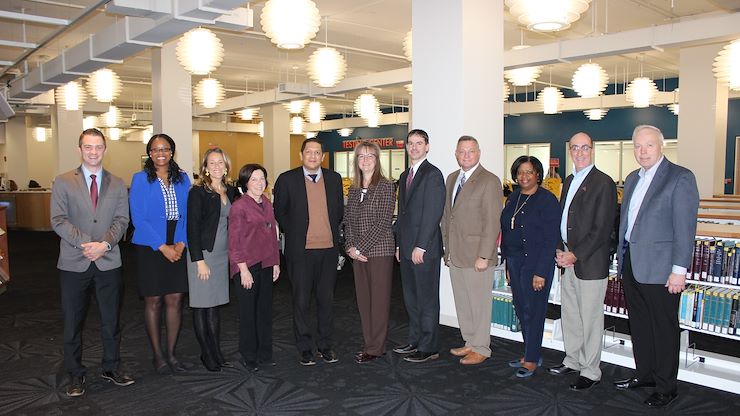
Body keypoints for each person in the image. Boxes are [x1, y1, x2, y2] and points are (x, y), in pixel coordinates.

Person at [614, 125, 699, 408]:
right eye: (638, 146)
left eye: (649, 145)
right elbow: (626, 222)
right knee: (639, 325)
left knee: (663, 328)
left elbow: (684, 229)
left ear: (661, 146)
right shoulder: (632, 178)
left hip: (663, 270)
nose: (643, 151)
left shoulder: (680, 177)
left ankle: (666, 386)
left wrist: (679, 270)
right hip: (632, 265)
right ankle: (646, 374)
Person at [50, 128, 134, 397]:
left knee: (111, 320)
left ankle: (111, 367)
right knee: (73, 322)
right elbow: (58, 219)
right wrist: (87, 243)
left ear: (105, 149)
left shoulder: (118, 183)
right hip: (75, 262)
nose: (94, 152)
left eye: (98, 147)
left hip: (109, 261)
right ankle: (75, 374)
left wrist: (105, 244)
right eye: (88, 147)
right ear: (80, 149)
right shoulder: (63, 181)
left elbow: (122, 220)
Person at [547, 132, 617, 391]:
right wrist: (560, 250)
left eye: (584, 148)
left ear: (592, 149)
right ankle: (573, 360)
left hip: (589, 261)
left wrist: (575, 254)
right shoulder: (569, 180)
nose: (579, 152)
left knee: (590, 318)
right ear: (570, 151)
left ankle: (590, 370)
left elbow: (602, 228)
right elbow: (563, 219)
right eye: (575, 148)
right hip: (567, 258)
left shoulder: (603, 182)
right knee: (571, 315)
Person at [273, 138, 344, 366]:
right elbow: (279, 212)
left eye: (317, 153)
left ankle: (326, 345)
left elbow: (339, 212)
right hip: (300, 251)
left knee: (326, 300)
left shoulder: (334, 179)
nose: (313, 156)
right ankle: (304, 348)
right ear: (301, 155)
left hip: (328, 250)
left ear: (323, 156)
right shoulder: (286, 179)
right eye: (309, 152)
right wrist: (294, 233)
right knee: (301, 301)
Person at [130, 133, 191, 374]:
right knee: (153, 300)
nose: (161, 153)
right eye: (155, 149)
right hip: (150, 245)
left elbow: (188, 214)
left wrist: (181, 243)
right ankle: (158, 356)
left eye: (165, 148)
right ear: (150, 153)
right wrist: (162, 246)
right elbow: (139, 218)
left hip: (178, 239)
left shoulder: (183, 178)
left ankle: (172, 354)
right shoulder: (140, 179)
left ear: (172, 152)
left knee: (175, 299)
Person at [441, 135, 502, 365]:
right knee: (463, 302)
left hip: (478, 255)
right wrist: (447, 250)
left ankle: (482, 347)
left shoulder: (489, 180)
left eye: (471, 151)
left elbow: (492, 221)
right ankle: (469, 340)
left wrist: (485, 255)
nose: (466, 155)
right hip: (456, 254)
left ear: (479, 153)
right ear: (456, 154)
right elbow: (448, 216)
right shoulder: (451, 179)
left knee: (479, 304)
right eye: (462, 151)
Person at [500, 155, 560, 378]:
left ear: (538, 175)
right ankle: (528, 352)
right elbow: (507, 232)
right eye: (520, 172)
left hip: (536, 265)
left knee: (534, 311)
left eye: (529, 172)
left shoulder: (547, 200)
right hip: (515, 262)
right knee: (521, 308)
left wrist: (541, 272)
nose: (524, 176)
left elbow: (550, 239)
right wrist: (507, 262)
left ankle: (533, 358)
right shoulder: (513, 197)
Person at [393, 129, 445, 363]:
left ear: (427, 147)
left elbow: (433, 213)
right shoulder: (405, 176)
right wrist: (398, 245)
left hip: (424, 250)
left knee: (426, 299)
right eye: (410, 143)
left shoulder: (433, 174)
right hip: (405, 248)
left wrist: (421, 246)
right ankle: (414, 339)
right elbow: (402, 215)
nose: (414, 147)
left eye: (419, 143)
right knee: (411, 298)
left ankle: (429, 346)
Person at [343, 140, 396, 364]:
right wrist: (350, 248)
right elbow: (347, 220)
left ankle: (376, 347)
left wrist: (360, 247)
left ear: (377, 159)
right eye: (361, 156)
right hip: (357, 253)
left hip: (379, 251)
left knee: (379, 302)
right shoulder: (354, 189)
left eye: (370, 156)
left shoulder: (385, 185)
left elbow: (383, 221)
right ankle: (369, 343)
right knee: (364, 301)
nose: (365, 160)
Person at [186, 148, 238, 371]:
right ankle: (206, 353)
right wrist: (199, 260)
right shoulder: (198, 192)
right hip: (203, 255)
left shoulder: (232, 191)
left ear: (226, 166)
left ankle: (216, 350)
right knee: (201, 306)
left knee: (215, 305)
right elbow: (192, 228)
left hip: (222, 255)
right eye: (212, 163)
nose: (217, 166)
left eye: (221, 162)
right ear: (205, 167)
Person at [229, 164, 281, 371]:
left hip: (267, 263)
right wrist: (242, 269)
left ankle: (264, 353)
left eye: (262, 179)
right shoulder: (239, 206)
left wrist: (276, 262)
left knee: (264, 311)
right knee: (248, 313)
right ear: (245, 183)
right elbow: (234, 242)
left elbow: (272, 236)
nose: (259, 183)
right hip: (247, 267)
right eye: (254, 179)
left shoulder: (267, 203)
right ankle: (248, 355)